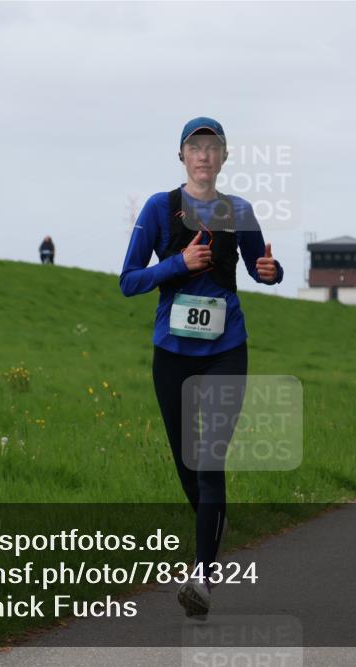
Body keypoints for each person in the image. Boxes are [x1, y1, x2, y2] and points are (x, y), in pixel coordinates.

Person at [119, 117, 282, 617]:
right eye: (195, 147)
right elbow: (129, 281)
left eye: (213, 147)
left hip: (226, 348)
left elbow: (260, 267)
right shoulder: (158, 207)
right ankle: (214, 523)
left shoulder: (240, 211)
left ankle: (202, 578)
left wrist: (272, 272)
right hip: (171, 353)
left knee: (210, 458)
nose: (204, 155)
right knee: (187, 463)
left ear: (224, 157)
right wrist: (178, 264)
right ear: (182, 156)